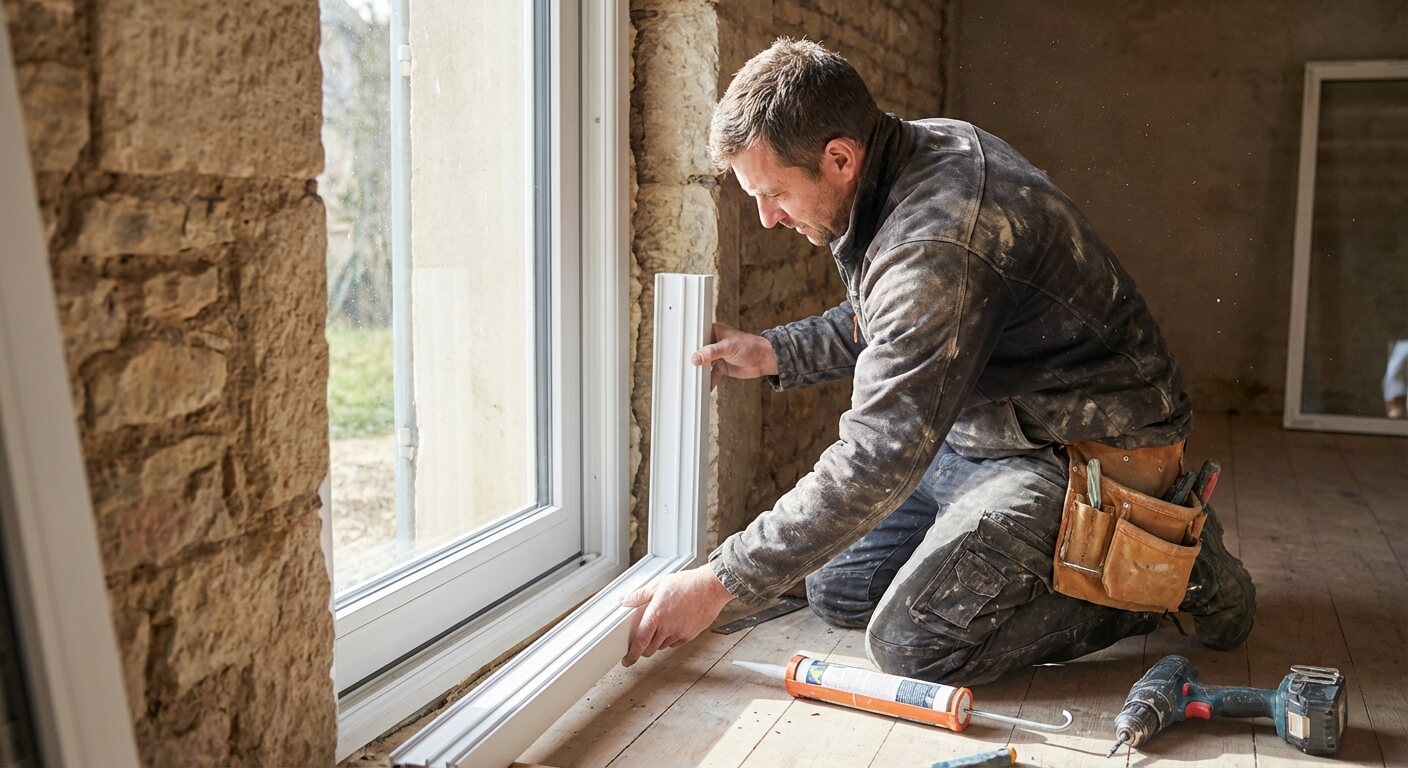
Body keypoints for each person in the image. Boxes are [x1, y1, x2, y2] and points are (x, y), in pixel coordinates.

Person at [620, 38, 1255, 685]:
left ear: (839, 158)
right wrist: (779, 351)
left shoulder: (938, 238)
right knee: (838, 590)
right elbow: (899, 319)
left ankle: (1169, 574)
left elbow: (876, 459)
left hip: (1084, 456)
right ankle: (1068, 562)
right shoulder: (917, 151)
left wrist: (718, 580)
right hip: (989, 432)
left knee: (913, 644)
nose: (766, 218)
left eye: (773, 193)